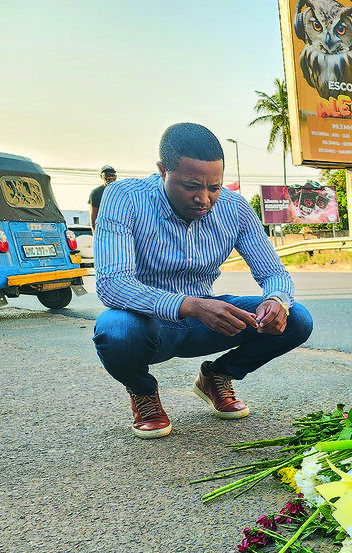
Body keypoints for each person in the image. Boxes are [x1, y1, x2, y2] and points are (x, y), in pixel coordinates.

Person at [92, 123, 313, 439]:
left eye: (214, 187)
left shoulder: (235, 208)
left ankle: (217, 376)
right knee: (116, 329)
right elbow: (113, 283)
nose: (204, 199)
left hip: (206, 324)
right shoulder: (124, 197)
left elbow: (274, 273)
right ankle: (143, 391)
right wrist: (190, 305)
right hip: (149, 324)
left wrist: (276, 299)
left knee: (297, 318)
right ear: (162, 171)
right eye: (191, 186)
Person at [88, 165, 117, 230]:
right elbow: (93, 218)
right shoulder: (96, 192)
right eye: (107, 175)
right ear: (102, 176)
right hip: (103, 228)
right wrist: (94, 233)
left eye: (113, 175)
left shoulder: (120, 192)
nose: (110, 177)